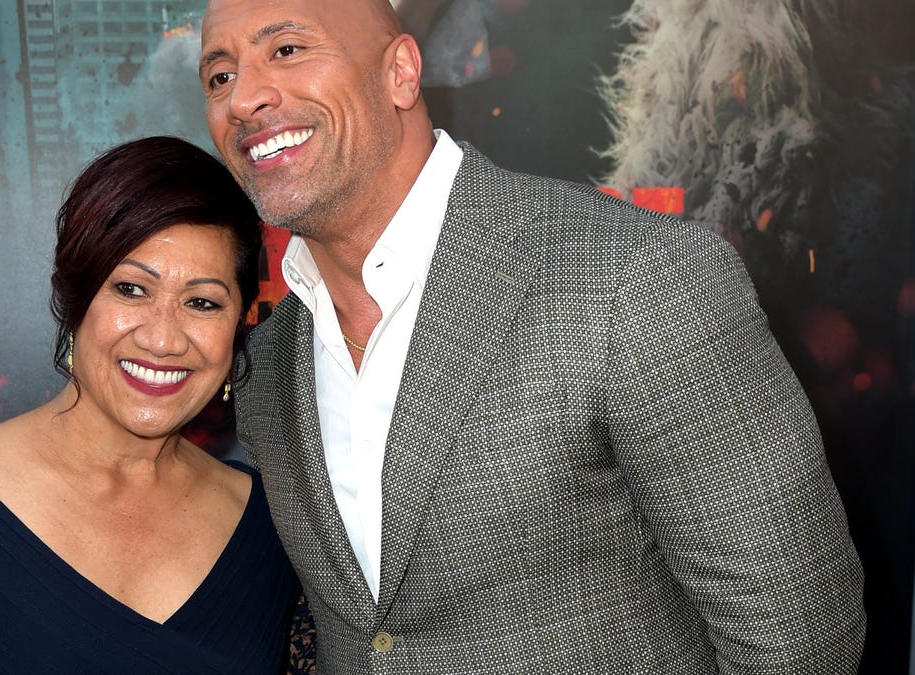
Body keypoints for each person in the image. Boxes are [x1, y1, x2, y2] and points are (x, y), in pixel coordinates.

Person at [198, 1, 867, 672]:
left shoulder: (637, 279)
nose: (244, 98)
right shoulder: (267, 362)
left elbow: (799, 639)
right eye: (219, 76)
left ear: (401, 71)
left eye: (285, 51)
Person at [0, 136, 315, 674]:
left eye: (202, 302)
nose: (163, 339)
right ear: (76, 301)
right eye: (131, 290)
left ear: (239, 325)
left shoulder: (273, 526)